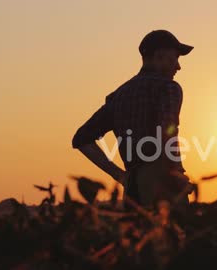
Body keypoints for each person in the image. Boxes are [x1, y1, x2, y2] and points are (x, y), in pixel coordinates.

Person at [72, 30, 193, 208]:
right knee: (175, 234)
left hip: (132, 190)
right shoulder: (169, 88)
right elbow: (167, 130)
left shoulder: (119, 96)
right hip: (163, 185)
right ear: (159, 57)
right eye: (174, 58)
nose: (178, 66)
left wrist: (119, 175)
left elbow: (82, 139)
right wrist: (176, 173)